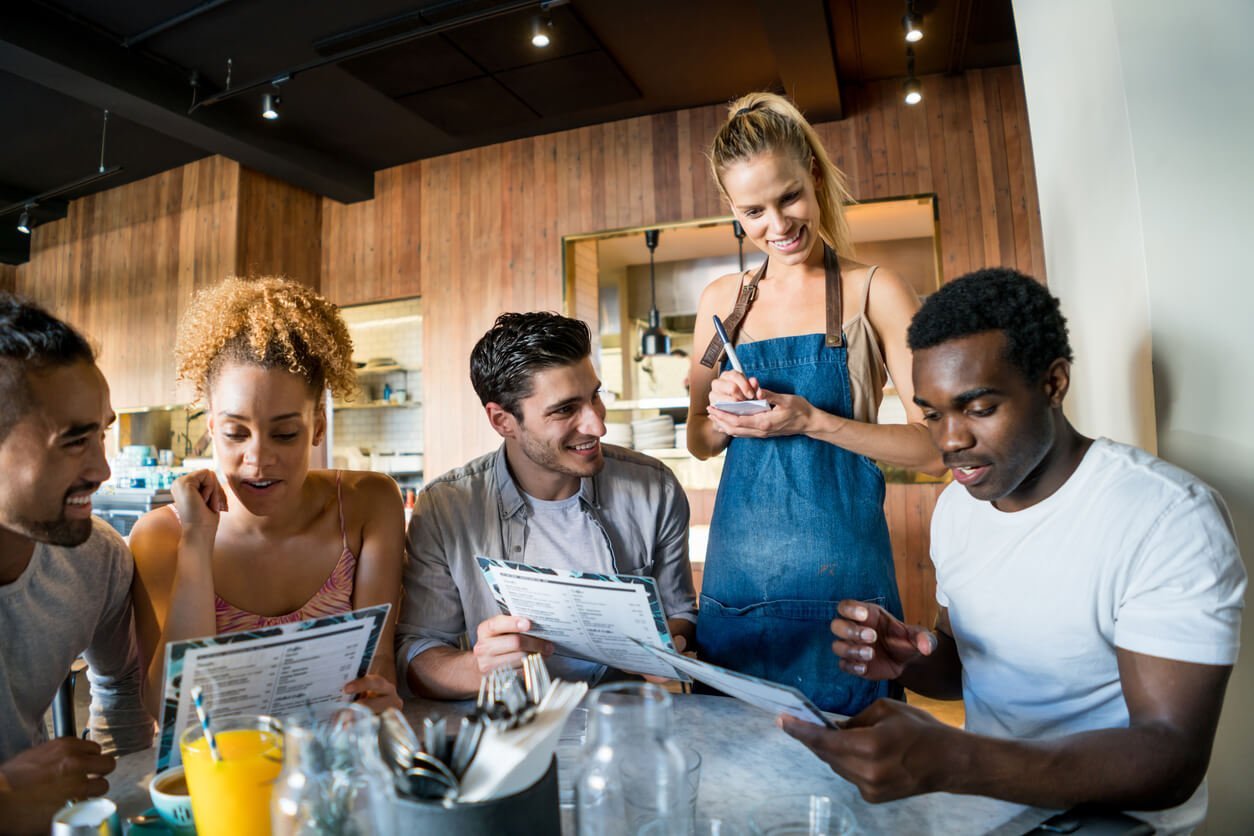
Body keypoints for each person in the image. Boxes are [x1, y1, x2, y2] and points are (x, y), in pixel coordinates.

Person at [780, 268, 1245, 832]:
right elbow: (964, 670)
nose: (949, 440)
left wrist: (955, 759)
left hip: (1113, 822)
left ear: (1052, 384)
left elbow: (1170, 759)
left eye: (977, 409)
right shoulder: (959, 508)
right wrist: (911, 656)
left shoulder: (1166, 516)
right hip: (990, 807)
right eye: (931, 413)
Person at [687, 92, 943, 713]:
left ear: (816, 177)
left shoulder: (874, 291)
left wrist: (812, 420)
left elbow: (934, 449)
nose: (777, 225)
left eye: (789, 197)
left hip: (848, 602)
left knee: (857, 784)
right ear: (733, 212)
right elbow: (698, 441)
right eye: (754, 211)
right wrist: (721, 409)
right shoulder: (721, 299)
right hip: (736, 592)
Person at [130, 277, 404, 716]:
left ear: (317, 427)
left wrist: (376, 701)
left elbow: (379, 661)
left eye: (285, 433)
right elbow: (169, 707)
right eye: (236, 432)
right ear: (211, 428)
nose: (258, 458)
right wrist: (197, 543)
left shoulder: (369, 504)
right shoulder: (162, 536)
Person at [398, 312, 697, 698]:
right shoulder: (446, 508)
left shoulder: (655, 488)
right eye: (565, 409)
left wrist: (664, 647)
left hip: (625, 718)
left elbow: (681, 611)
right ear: (503, 420)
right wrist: (479, 668)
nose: (597, 425)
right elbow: (415, 653)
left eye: (595, 397)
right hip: (510, 730)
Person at [0, 294, 153, 833]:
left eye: (102, 433)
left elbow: (120, 692)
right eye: (73, 441)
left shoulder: (98, 558)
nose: (102, 469)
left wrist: (129, 805)